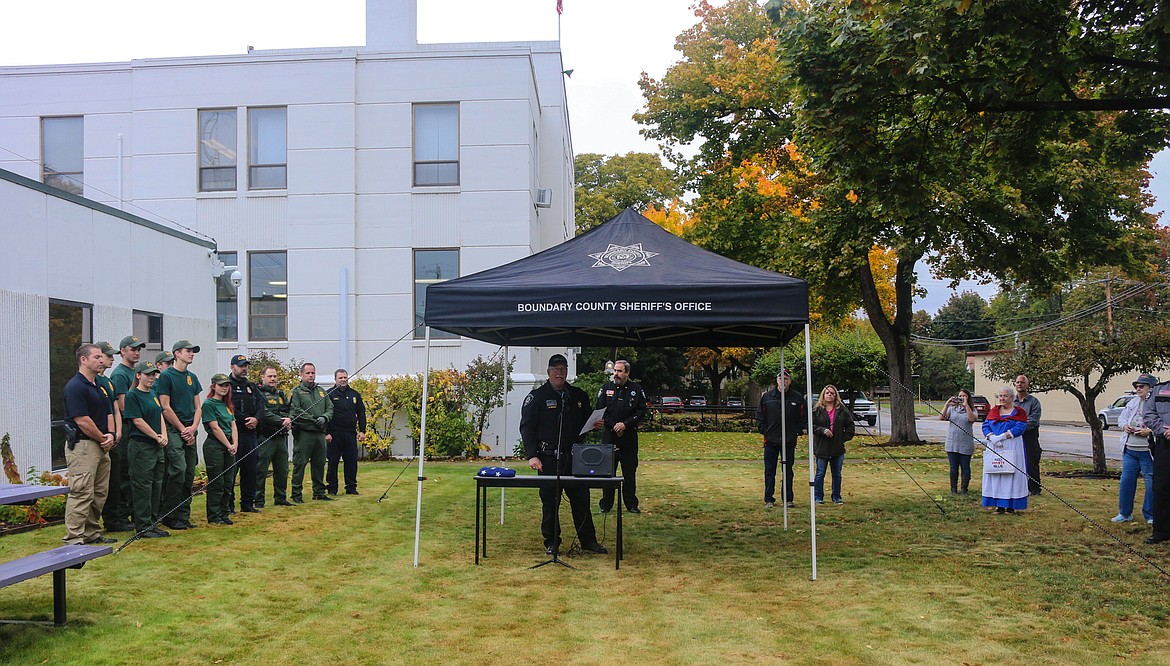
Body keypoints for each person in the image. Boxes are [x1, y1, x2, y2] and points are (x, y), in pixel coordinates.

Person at [520, 353, 607, 555]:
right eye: (556, 369)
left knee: (581, 500)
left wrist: (595, 425)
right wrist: (532, 455)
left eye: (563, 369)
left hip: (574, 457)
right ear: (549, 372)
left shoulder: (577, 395)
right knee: (550, 503)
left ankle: (588, 541)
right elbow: (527, 428)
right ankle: (552, 541)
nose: (560, 373)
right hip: (548, 458)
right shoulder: (537, 397)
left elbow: (584, 423)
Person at [61, 343, 117, 545]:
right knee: (82, 492)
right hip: (84, 446)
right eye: (96, 357)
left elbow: (108, 412)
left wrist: (110, 434)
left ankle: (92, 533)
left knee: (99, 493)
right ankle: (74, 538)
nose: (101, 360)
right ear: (83, 360)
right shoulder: (75, 386)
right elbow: (82, 420)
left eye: (102, 357)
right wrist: (103, 438)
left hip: (102, 446)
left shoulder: (99, 385)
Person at [155, 340, 203, 530]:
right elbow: (165, 407)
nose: (191, 354)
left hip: (190, 429)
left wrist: (193, 427)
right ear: (177, 354)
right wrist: (183, 428)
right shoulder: (167, 376)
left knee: (189, 472)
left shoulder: (192, 377)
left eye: (193, 351)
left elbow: (198, 406)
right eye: (188, 351)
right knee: (178, 469)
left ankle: (183, 515)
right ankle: (168, 513)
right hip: (174, 429)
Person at [121, 360, 170, 538]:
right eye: (148, 374)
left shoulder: (153, 393)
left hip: (156, 446)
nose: (151, 377)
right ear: (138, 375)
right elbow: (137, 420)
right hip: (141, 445)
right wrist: (155, 436)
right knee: (143, 487)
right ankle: (142, 525)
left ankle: (153, 522)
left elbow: (160, 414)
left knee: (157, 485)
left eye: (153, 374)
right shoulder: (133, 395)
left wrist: (163, 435)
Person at [105, 335, 145, 533]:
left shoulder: (135, 371)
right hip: (127, 429)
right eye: (132, 349)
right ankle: (119, 517)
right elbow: (122, 405)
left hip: (136, 429)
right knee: (122, 475)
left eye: (138, 349)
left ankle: (129, 514)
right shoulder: (120, 374)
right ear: (123, 351)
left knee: (131, 475)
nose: (136, 352)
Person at [595, 359, 647, 514]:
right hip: (610, 437)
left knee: (629, 472)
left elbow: (641, 411)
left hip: (629, 437)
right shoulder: (606, 388)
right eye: (615, 371)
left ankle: (631, 504)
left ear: (627, 373)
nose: (615, 374)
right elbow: (601, 410)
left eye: (619, 371)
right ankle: (606, 504)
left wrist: (625, 424)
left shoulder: (636, 389)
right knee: (607, 472)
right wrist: (614, 425)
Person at [757, 369, 805, 509]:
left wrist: (796, 431)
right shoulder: (767, 397)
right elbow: (760, 417)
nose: (783, 381)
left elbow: (803, 418)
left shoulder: (797, 398)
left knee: (788, 471)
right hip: (770, 442)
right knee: (770, 471)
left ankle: (788, 499)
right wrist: (765, 431)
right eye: (780, 378)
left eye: (786, 378)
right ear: (776, 380)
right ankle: (769, 499)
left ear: (790, 381)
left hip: (789, 442)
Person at [1113, 374, 1156, 525]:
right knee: (1126, 481)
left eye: (1141, 386)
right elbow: (1122, 419)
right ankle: (1125, 513)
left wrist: (1149, 431)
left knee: (1151, 484)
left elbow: (1163, 425)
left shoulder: (1158, 404)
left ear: (1151, 388)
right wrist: (1125, 426)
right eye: (1136, 386)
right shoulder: (1132, 402)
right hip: (1130, 450)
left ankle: (1150, 515)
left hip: (1149, 453)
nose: (1138, 389)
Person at [981, 386, 1029, 514]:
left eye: (1005, 396)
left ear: (1012, 398)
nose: (1002, 398)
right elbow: (986, 425)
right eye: (1000, 396)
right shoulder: (994, 412)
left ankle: (1011, 506)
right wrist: (991, 437)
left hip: (1012, 446)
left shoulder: (1019, 412)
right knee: (996, 474)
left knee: (1011, 474)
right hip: (995, 446)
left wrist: (1002, 437)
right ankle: (999, 505)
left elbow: (1020, 428)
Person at [289, 362, 332, 502]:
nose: (311, 375)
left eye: (313, 373)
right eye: (308, 373)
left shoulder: (321, 391)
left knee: (319, 463)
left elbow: (330, 408)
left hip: (320, 433)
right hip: (304, 433)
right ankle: (296, 494)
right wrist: (313, 420)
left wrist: (324, 418)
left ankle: (319, 492)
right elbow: (296, 410)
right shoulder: (296, 391)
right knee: (300, 464)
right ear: (301, 374)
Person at [228, 354, 265, 513]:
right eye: (241, 366)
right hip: (234, 433)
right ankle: (228, 505)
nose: (244, 369)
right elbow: (228, 408)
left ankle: (247, 503)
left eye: (245, 366)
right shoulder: (226, 385)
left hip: (251, 434)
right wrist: (245, 420)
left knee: (250, 469)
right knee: (231, 471)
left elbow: (262, 406)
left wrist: (256, 419)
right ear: (232, 367)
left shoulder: (251, 386)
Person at [202, 374, 239, 526]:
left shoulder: (227, 405)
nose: (224, 388)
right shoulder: (209, 404)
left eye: (226, 385)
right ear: (214, 386)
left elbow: (233, 425)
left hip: (229, 445)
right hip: (215, 445)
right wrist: (228, 445)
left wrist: (235, 444)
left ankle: (224, 513)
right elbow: (214, 427)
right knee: (217, 481)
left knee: (228, 481)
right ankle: (214, 515)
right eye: (221, 385)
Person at [255, 365, 294, 508]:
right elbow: (263, 413)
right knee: (261, 470)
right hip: (265, 437)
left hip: (281, 437)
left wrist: (288, 419)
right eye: (270, 376)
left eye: (274, 376)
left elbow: (287, 410)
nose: (273, 379)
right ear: (262, 377)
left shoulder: (281, 394)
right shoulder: (258, 393)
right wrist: (281, 421)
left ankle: (281, 498)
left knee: (282, 470)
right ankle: (258, 500)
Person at [811, 384, 854, 505]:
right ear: (823, 395)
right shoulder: (817, 410)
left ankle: (836, 496)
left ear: (836, 396)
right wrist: (822, 430)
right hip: (822, 447)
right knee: (820, 473)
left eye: (832, 393)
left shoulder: (842, 410)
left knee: (837, 474)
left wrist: (842, 438)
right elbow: (811, 426)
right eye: (827, 393)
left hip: (837, 448)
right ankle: (818, 497)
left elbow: (850, 427)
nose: (829, 395)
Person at [326, 369, 366, 496]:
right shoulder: (329, 394)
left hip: (350, 433)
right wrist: (326, 433)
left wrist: (362, 431)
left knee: (351, 461)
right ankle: (332, 488)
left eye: (345, 377)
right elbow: (325, 414)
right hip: (334, 434)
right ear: (335, 379)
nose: (343, 380)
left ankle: (351, 488)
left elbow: (361, 413)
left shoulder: (354, 394)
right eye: (340, 378)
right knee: (333, 462)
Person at [1142, 376, 1170, 544]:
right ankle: (1162, 530)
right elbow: (1148, 413)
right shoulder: (1160, 389)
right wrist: (1163, 430)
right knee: (1161, 488)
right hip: (1164, 446)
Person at [940, 388, 977, 495]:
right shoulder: (952, 409)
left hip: (965, 444)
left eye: (964, 396)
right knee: (953, 468)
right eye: (960, 396)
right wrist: (947, 404)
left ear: (968, 398)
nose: (961, 398)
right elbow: (941, 417)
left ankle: (964, 489)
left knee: (965, 467)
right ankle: (953, 489)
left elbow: (972, 419)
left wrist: (966, 406)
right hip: (952, 443)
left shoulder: (972, 409)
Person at [1014, 375, 1043, 495]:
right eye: (1018, 382)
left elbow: (1033, 420)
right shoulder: (1012, 401)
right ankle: (1018, 488)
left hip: (1029, 435)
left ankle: (1035, 489)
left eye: (1022, 382)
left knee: (1031, 463)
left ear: (1027, 385)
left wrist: (1018, 426)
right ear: (1014, 385)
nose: (1020, 384)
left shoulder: (1034, 402)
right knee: (1015, 462)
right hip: (1015, 436)